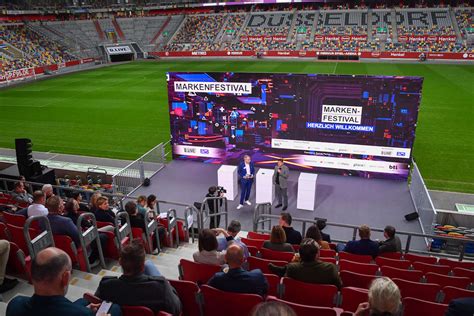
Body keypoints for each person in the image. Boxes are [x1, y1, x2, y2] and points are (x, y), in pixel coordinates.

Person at [6, 247, 121, 316]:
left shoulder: (15, 304)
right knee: (115, 308)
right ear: (65, 277)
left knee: (83, 300)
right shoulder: (82, 314)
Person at [95, 240, 181, 315]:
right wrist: (168, 287)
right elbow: (177, 309)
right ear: (142, 267)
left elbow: (96, 306)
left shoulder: (106, 285)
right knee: (149, 264)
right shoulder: (160, 287)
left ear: (120, 262)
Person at [269, 238, 342, 289]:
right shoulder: (330, 268)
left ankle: (281, 270)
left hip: (296, 304)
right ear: (317, 254)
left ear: (300, 255)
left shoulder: (292, 268)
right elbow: (340, 286)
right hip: (323, 305)